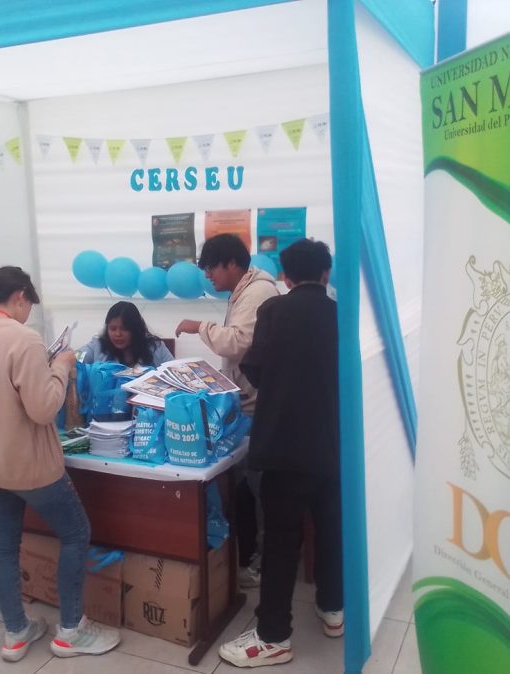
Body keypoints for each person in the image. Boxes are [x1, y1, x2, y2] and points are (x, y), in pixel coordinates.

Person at [0, 266, 120, 662]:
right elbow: (44, 408)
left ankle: (15, 632)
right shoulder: (23, 339)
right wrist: (61, 366)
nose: (28, 310)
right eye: (29, 302)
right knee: (76, 533)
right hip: (30, 466)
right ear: (18, 297)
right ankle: (70, 630)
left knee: (4, 545)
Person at [218, 239, 343, 668]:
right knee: (331, 529)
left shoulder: (273, 311)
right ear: (326, 274)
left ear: (286, 277)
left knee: (281, 543)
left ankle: (273, 635)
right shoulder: (343, 315)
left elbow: (251, 368)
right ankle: (333, 609)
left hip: (282, 443)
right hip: (333, 444)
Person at [175, 234, 280, 588]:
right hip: (244, 399)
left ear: (231, 265)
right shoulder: (245, 292)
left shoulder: (257, 293)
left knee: (258, 487)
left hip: (257, 404)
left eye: (211, 268)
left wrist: (199, 327)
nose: (208, 277)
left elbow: (237, 342)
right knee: (243, 486)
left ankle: (265, 563)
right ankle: (247, 553)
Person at [78, 300, 173, 367]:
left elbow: (175, 370)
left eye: (124, 329)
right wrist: (68, 356)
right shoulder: (97, 345)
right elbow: (75, 358)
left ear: (135, 329)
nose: (118, 334)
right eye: (112, 328)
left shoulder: (156, 347)